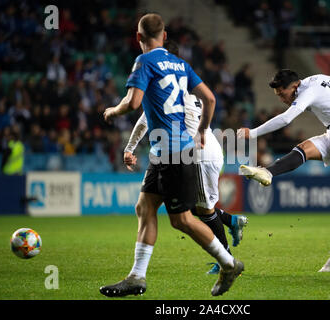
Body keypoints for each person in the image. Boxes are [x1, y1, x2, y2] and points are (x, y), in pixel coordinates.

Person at [99, 13, 243, 297]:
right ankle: (137, 277)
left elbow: (133, 102)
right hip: (165, 150)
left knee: (183, 220)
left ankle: (229, 264)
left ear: (138, 37)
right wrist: (203, 130)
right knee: (145, 207)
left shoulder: (144, 61)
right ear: (164, 36)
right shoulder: (181, 64)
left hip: (174, 153)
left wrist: (113, 111)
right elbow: (210, 98)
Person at [238, 69, 330, 272]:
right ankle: (268, 172)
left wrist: (252, 133)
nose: (281, 98)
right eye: (278, 95)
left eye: (282, 94)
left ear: (294, 86)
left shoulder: (308, 91)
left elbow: (287, 119)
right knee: (304, 148)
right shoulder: (317, 79)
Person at [124, 40, 248, 275]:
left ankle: (227, 260)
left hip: (197, 153)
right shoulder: (186, 90)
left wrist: (130, 146)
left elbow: (143, 119)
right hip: (204, 150)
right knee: (193, 208)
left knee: (200, 211)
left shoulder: (164, 90)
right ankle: (231, 225)